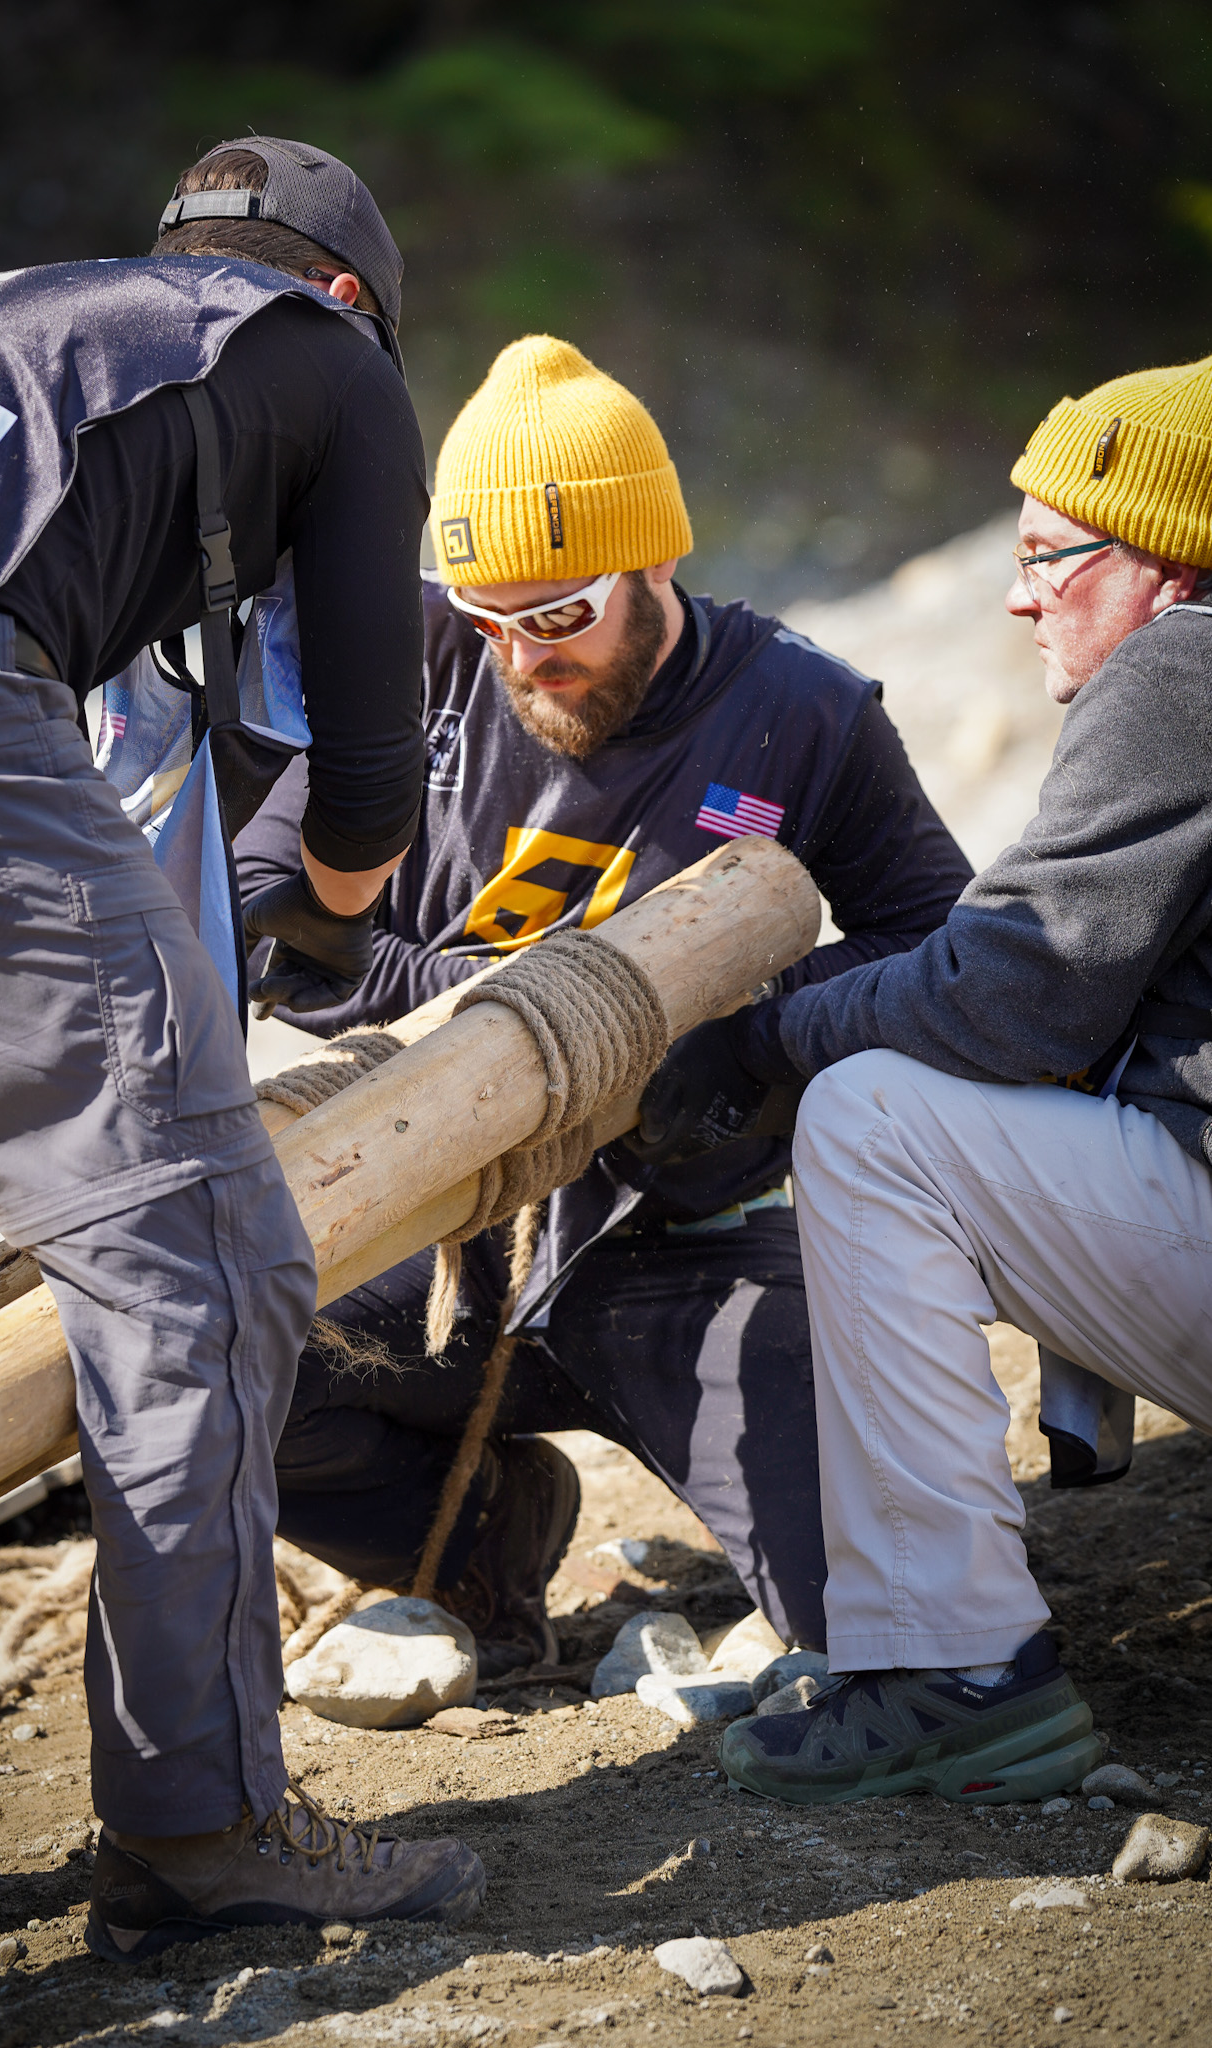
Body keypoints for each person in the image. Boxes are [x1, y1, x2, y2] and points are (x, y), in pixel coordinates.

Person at [0, 137, 485, 1958]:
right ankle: (203, 1840)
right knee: (196, 1266)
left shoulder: (4, 330)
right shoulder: (327, 361)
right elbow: (366, 764)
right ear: (344, 292)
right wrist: (334, 920)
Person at [233, 334, 972, 1675]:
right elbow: (266, 891)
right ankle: (484, 1552)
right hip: (433, 1220)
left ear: (654, 562)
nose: (521, 659)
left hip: (682, 1232)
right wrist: (480, 1010)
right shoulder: (419, 660)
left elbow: (935, 935)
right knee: (225, 1365)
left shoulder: (798, 710)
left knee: (868, 1630)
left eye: (559, 616)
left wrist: (755, 1028)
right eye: (487, 620)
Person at [667, 355, 1212, 1807]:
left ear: (1164, 565)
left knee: (870, 1117)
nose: (1018, 595)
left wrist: (779, 1030)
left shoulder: (1186, 664)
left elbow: (1010, 987)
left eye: (1046, 558)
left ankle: (956, 1669)